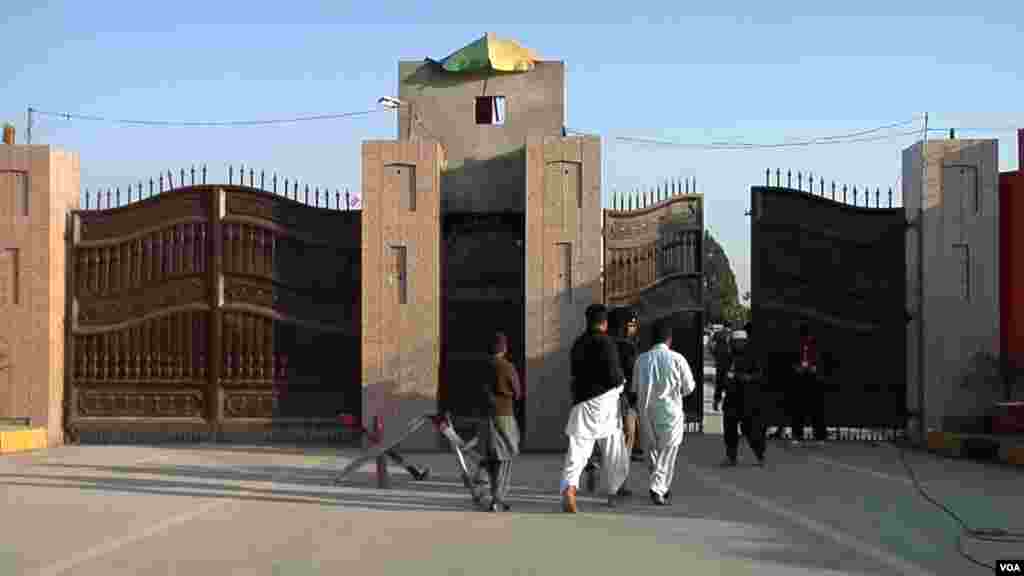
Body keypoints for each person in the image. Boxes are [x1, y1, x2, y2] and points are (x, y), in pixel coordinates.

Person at [560, 304, 630, 513]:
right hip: (606, 404)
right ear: (605, 323)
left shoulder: (578, 343)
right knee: (614, 449)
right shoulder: (606, 343)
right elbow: (614, 376)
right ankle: (612, 492)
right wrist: (622, 382)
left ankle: (569, 489)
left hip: (582, 404)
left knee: (577, 452)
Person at [634, 318, 697, 506]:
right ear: (669, 340)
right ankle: (658, 488)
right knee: (667, 453)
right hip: (671, 413)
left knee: (653, 452)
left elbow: (635, 388)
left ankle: (660, 485)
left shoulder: (641, 360)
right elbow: (689, 388)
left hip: (646, 412)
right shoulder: (678, 359)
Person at [581, 307, 641, 495]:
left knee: (599, 436)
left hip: (594, 397)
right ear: (624, 325)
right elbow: (631, 375)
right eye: (631, 325)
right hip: (622, 399)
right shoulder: (627, 347)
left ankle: (594, 462)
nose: (634, 329)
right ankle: (620, 483)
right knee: (625, 440)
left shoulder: (598, 342)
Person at [471, 332, 522, 512]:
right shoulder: (507, 367)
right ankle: (497, 499)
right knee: (505, 457)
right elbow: (517, 393)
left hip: (485, 417)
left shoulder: (482, 367)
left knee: (488, 457)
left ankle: (481, 492)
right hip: (504, 415)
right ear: (504, 348)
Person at [714, 324, 767, 467]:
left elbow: (760, 375)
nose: (738, 344)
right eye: (735, 342)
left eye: (741, 342)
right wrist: (717, 397)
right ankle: (731, 457)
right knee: (729, 429)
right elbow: (720, 377)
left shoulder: (752, 356)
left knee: (750, 430)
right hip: (731, 399)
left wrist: (748, 378)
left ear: (745, 342)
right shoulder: (726, 357)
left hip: (747, 399)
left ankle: (760, 454)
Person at [790, 324, 826, 445]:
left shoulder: (818, 345)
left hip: (814, 380)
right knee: (798, 408)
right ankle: (797, 436)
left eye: (809, 335)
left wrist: (816, 368)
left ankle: (820, 436)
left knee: (817, 409)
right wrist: (796, 368)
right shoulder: (796, 345)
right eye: (805, 335)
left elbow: (824, 362)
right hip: (799, 380)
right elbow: (790, 362)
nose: (807, 337)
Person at [712, 324, 733, 413]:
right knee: (727, 383)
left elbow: (711, 345)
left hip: (721, 362)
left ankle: (717, 402)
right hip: (728, 363)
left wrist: (715, 355)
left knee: (719, 383)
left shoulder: (717, 334)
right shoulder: (732, 334)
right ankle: (723, 403)